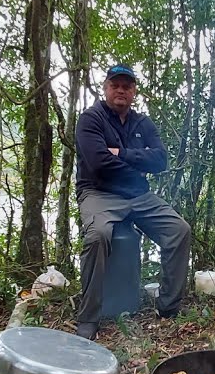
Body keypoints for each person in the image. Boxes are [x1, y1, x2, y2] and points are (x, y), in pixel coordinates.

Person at [74, 64, 191, 341]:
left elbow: (160, 161)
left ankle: (168, 306)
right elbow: (99, 164)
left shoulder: (143, 123)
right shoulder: (91, 119)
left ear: (134, 91)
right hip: (99, 193)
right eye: (115, 85)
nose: (121, 90)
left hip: (139, 196)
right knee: (98, 235)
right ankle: (89, 317)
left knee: (179, 230)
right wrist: (138, 163)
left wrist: (120, 153)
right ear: (105, 88)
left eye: (126, 86)